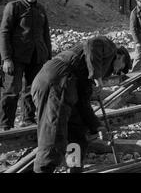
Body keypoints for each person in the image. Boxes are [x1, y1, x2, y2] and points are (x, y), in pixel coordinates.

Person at [31, 36, 131, 173]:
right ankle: (43, 170)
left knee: (78, 133)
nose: (115, 73)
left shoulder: (88, 69)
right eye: (120, 69)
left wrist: (97, 126)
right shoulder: (110, 48)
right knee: (54, 136)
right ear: (120, 57)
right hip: (57, 81)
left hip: (64, 85)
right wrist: (96, 76)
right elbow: (92, 44)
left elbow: (83, 103)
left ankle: (74, 169)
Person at [0, 0, 52, 131]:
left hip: (36, 57)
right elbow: (4, 33)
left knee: (31, 89)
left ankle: (28, 120)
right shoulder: (13, 7)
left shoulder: (41, 10)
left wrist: (48, 58)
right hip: (16, 57)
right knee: (11, 91)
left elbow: (46, 35)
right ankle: (5, 126)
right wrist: (6, 59)